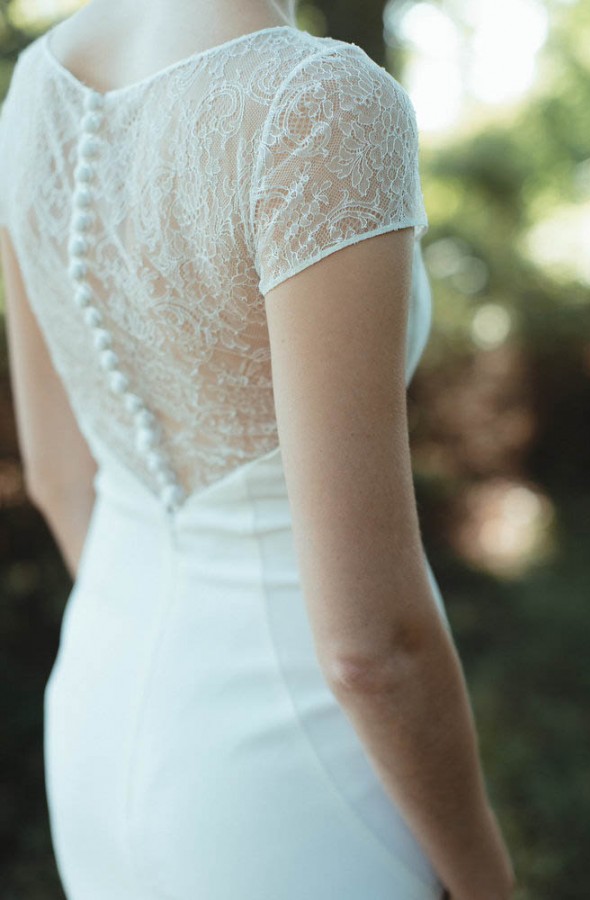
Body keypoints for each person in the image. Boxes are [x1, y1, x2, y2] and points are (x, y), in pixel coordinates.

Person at [0, 0, 516, 897]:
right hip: (297, 775)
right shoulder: (317, 103)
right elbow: (369, 649)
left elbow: (56, 478)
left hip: (97, 708)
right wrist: (485, 880)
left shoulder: (34, 89)